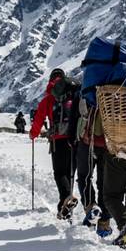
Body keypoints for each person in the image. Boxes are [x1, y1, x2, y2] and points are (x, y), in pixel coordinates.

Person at [29, 69, 82, 219]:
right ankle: (64, 207)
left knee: (60, 173)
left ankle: (66, 199)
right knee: (70, 173)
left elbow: (39, 118)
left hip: (58, 140)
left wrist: (33, 134)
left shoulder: (49, 97)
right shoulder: (74, 93)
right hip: (75, 138)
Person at [76, 95, 113, 238]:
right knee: (105, 183)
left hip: (87, 140)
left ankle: (91, 206)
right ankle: (104, 223)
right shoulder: (118, 88)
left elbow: (76, 112)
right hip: (109, 143)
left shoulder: (88, 88)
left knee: (84, 177)